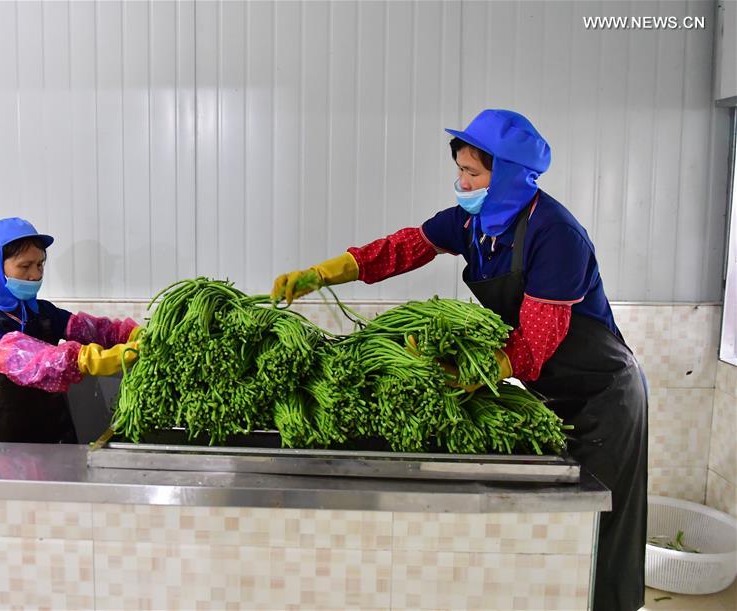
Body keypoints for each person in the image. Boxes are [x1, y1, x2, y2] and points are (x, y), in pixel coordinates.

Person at [271, 109, 648, 611]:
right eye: (461, 171)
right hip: (550, 390)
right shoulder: (475, 221)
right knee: (557, 528)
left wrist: (465, 372)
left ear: (509, 175)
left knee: (601, 523)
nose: (461, 182)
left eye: (473, 173)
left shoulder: (556, 235)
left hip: (604, 395)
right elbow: (406, 248)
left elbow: (536, 343)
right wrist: (323, 273)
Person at [0, 217, 140, 444]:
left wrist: (132, 335)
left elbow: (97, 331)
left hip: (48, 445)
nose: (35, 275)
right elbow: (32, 360)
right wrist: (86, 359)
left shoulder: (43, 312)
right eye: (25, 266)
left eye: (40, 264)